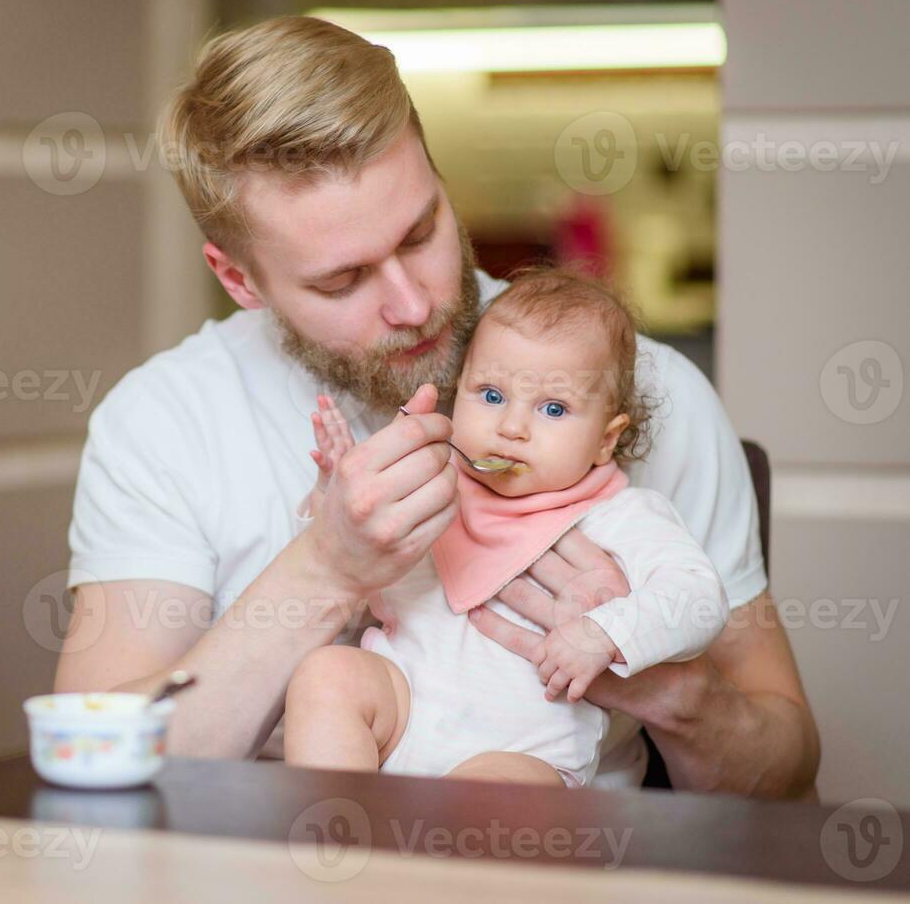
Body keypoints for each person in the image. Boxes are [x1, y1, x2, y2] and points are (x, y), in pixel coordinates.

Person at [54, 15, 820, 798]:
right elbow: (98, 761)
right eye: (342, 280)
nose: (414, 303)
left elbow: (788, 772)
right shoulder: (161, 422)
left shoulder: (640, 394)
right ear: (240, 279)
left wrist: (660, 681)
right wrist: (328, 568)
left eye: (421, 232)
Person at [283, 266, 731, 788]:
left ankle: (427, 862)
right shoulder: (430, 484)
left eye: (554, 408)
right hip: (401, 702)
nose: (512, 428)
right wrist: (335, 503)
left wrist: (605, 634)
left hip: (522, 749)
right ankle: (339, 837)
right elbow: (351, 581)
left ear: (606, 440)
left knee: (488, 798)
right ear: (459, 393)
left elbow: (699, 597)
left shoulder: (620, 514)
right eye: (491, 396)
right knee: (326, 675)